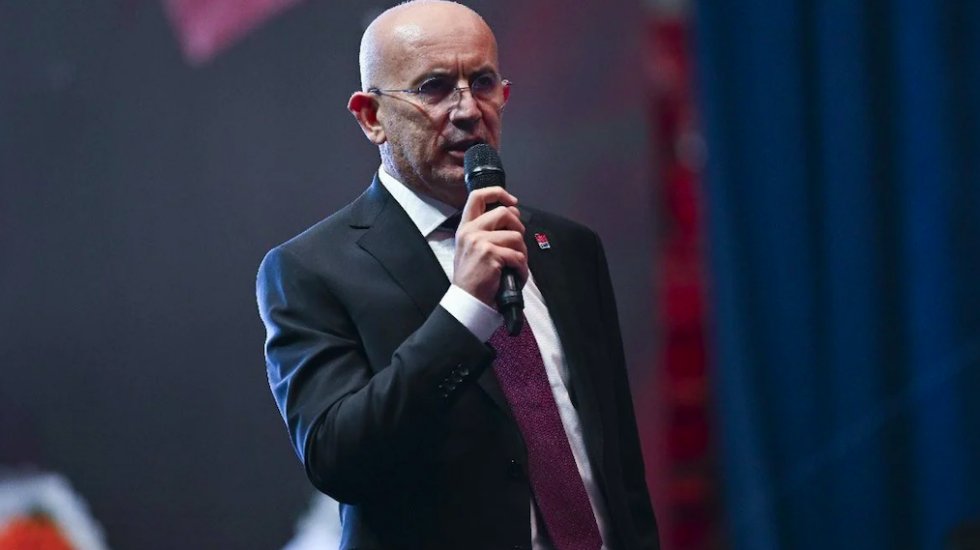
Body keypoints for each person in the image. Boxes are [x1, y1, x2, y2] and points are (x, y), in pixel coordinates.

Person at [256, 1, 659, 548]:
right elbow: (337, 458)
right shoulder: (311, 269)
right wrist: (465, 308)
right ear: (371, 117)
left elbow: (620, 465)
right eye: (435, 87)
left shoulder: (567, 247)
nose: (468, 110)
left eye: (483, 82)